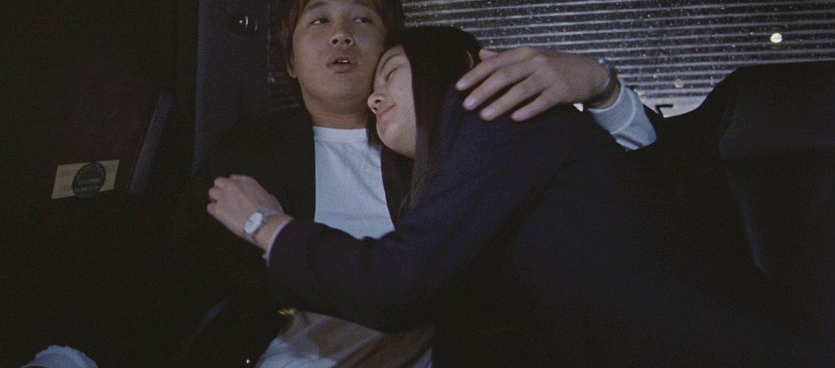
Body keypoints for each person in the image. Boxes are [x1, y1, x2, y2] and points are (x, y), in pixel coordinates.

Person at [207, 26, 829, 367]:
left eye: (391, 73)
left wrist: (265, 222)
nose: (373, 98)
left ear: (454, 72)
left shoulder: (497, 117)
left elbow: (397, 281)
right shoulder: (481, 164)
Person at [179, 0, 656, 368]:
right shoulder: (251, 151)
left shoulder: (444, 143)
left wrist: (601, 84)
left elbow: (633, 185)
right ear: (289, 61)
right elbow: (202, 279)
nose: (341, 35)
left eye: (362, 20)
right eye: (318, 21)